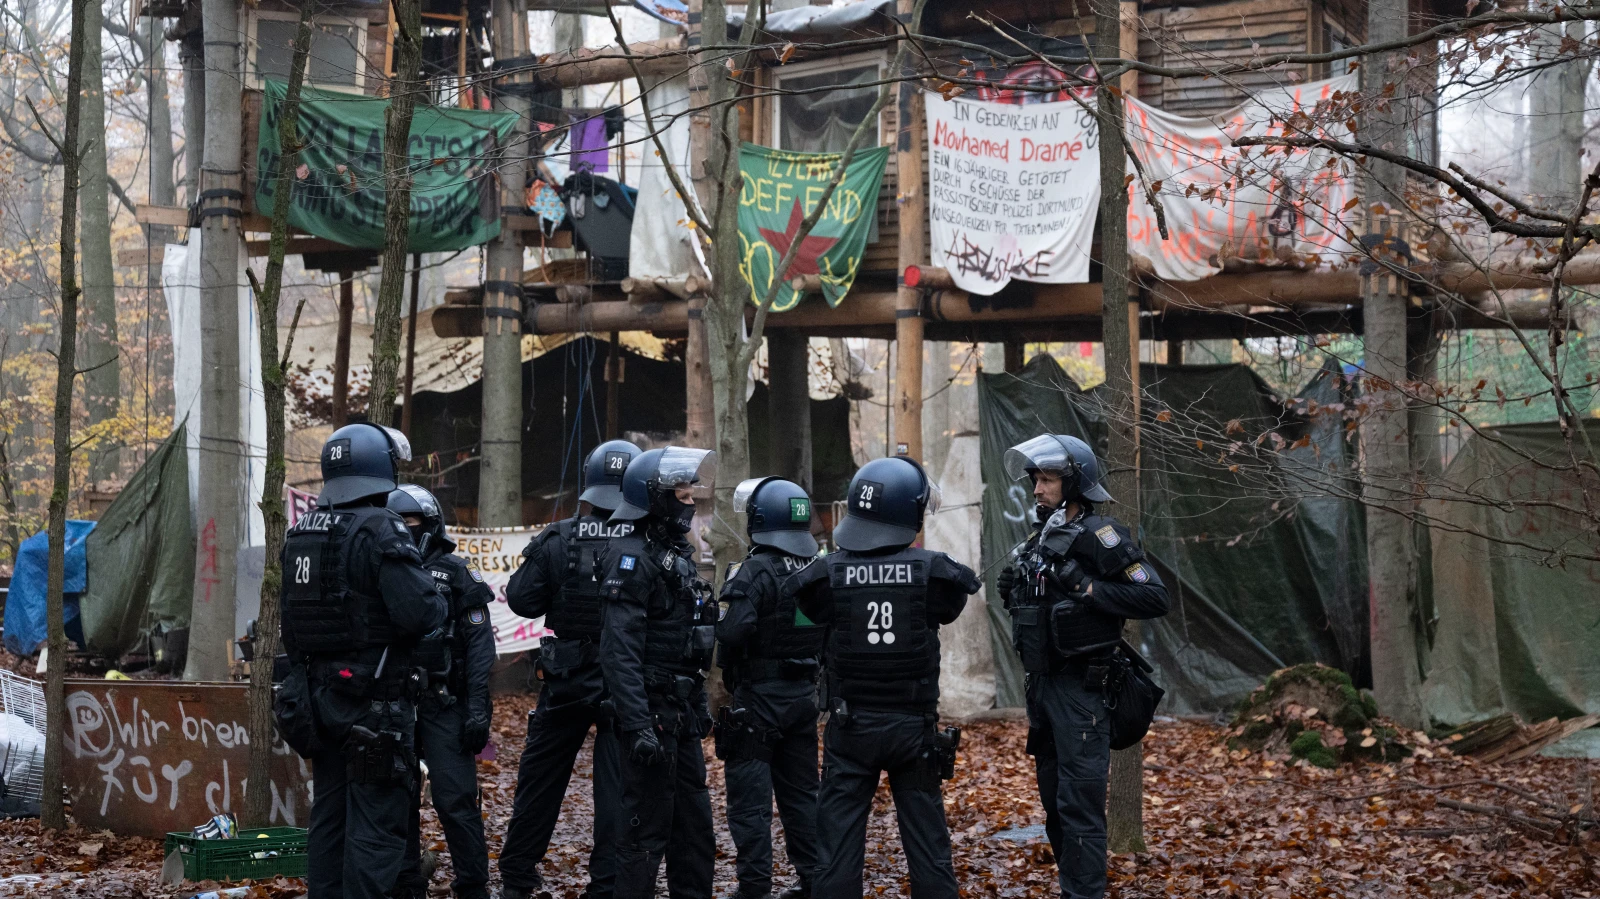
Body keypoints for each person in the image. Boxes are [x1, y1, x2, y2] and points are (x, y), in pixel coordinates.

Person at [783, 456, 979, 899]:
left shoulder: (825, 575)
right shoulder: (935, 573)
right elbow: (951, 607)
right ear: (908, 513)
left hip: (850, 727)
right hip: (913, 730)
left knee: (836, 850)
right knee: (928, 848)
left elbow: (808, 607)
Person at [995, 435, 1170, 899]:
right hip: (1043, 690)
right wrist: (1014, 590)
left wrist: (1089, 588)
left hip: (1083, 695)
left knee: (1080, 809)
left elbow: (1154, 596)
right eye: (1035, 479)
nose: (1037, 488)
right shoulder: (1040, 538)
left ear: (1074, 483)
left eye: (1048, 479)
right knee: (1055, 807)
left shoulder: (1101, 535)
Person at [280, 422, 447, 899]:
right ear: (380, 468)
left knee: (330, 822)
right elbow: (420, 612)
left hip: (321, 701)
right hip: (375, 705)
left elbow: (290, 626)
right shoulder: (380, 527)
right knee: (376, 831)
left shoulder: (301, 531)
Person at [500, 439, 642, 899]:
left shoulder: (559, 537)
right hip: (624, 681)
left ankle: (517, 876)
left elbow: (522, 599)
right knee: (616, 786)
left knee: (540, 780)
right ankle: (607, 884)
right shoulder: (644, 543)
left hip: (565, 680)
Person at [598, 446, 719, 899]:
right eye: (681, 495)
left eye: (691, 494)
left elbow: (690, 640)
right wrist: (636, 724)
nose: (690, 502)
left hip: (679, 713)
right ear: (655, 499)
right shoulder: (630, 557)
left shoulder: (674, 554)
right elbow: (619, 651)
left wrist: (698, 704)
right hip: (650, 715)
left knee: (694, 829)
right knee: (644, 832)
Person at [714, 478, 823, 899]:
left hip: (757, 702)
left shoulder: (754, 570)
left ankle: (754, 887)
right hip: (803, 698)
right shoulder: (817, 566)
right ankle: (813, 880)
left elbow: (731, 632)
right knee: (802, 796)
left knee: (750, 802)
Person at [387, 484, 495, 899]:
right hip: (395, 705)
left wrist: (478, 709)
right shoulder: (383, 572)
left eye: (410, 521)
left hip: (445, 703)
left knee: (455, 799)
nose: (403, 529)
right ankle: (406, 883)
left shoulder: (457, 573)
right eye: (396, 522)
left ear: (430, 525)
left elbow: (481, 647)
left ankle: (473, 886)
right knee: (398, 799)